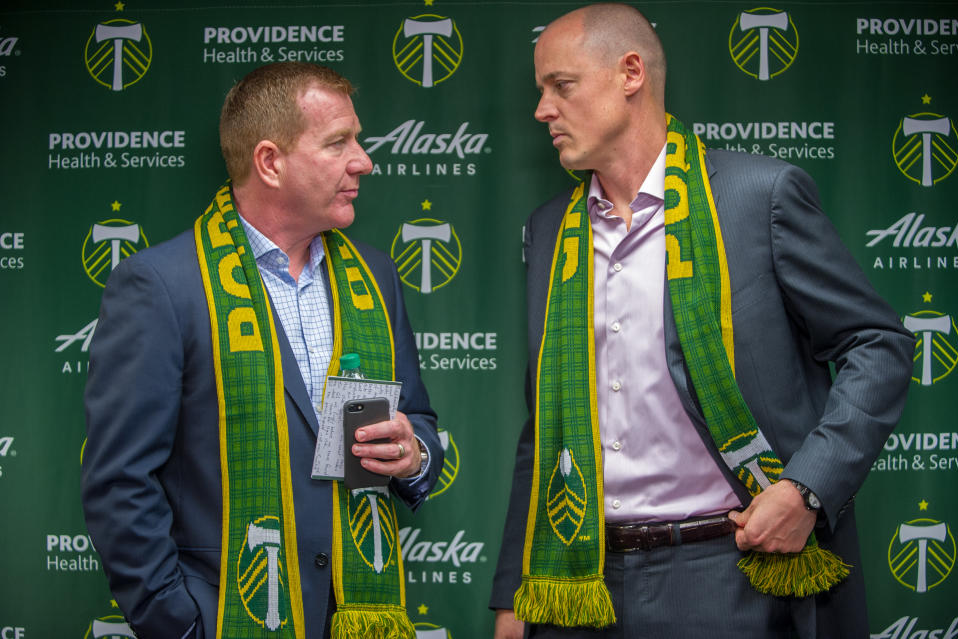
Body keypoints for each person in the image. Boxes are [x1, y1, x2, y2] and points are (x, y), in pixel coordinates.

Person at [490, 4, 914, 638]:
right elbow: (545, 428)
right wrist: (513, 594)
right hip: (576, 583)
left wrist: (806, 489)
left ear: (630, 73)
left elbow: (877, 345)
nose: (542, 110)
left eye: (561, 85)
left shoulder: (757, 195)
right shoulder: (551, 229)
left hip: (731, 572)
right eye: (541, 91)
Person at [82, 62, 442, 639]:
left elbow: (419, 419)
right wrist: (180, 623)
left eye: (359, 139)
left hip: (362, 616)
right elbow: (120, 482)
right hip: (231, 615)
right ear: (270, 162)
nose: (364, 161)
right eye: (338, 143)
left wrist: (414, 454)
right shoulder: (162, 285)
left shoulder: (373, 273)